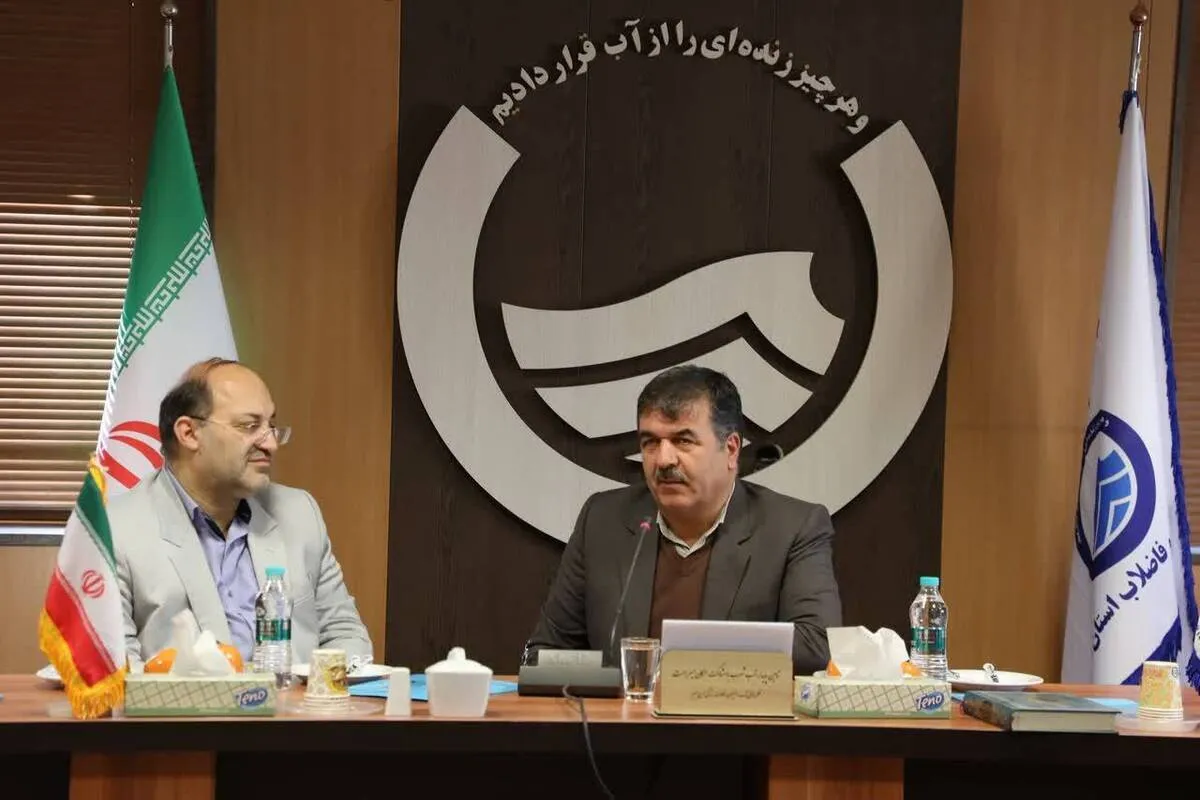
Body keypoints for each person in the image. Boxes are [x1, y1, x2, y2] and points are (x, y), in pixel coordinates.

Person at [525, 365, 842, 674]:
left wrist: (688, 659)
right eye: (650, 442)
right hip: (624, 710)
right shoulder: (602, 520)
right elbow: (546, 654)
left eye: (683, 441)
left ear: (731, 449)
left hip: (728, 709)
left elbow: (815, 647)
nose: (663, 460)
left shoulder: (791, 527)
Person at [109, 357, 372, 669]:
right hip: (185, 702)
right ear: (189, 433)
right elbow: (113, 668)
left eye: (271, 426)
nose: (271, 444)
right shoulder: (115, 530)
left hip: (294, 700)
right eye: (250, 426)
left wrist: (313, 691)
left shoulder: (299, 513)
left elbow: (345, 635)